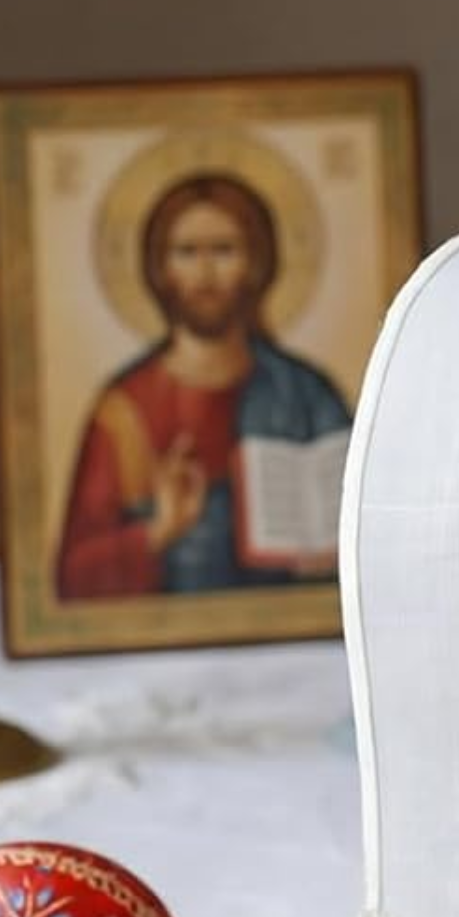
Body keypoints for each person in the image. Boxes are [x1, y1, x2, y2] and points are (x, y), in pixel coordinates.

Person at [55, 171, 350, 598]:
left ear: (256, 264)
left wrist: (335, 551)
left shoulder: (306, 395)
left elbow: (372, 526)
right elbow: (74, 576)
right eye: (187, 252)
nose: (206, 272)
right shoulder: (125, 412)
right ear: (160, 267)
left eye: (224, 250)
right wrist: (158, 531)